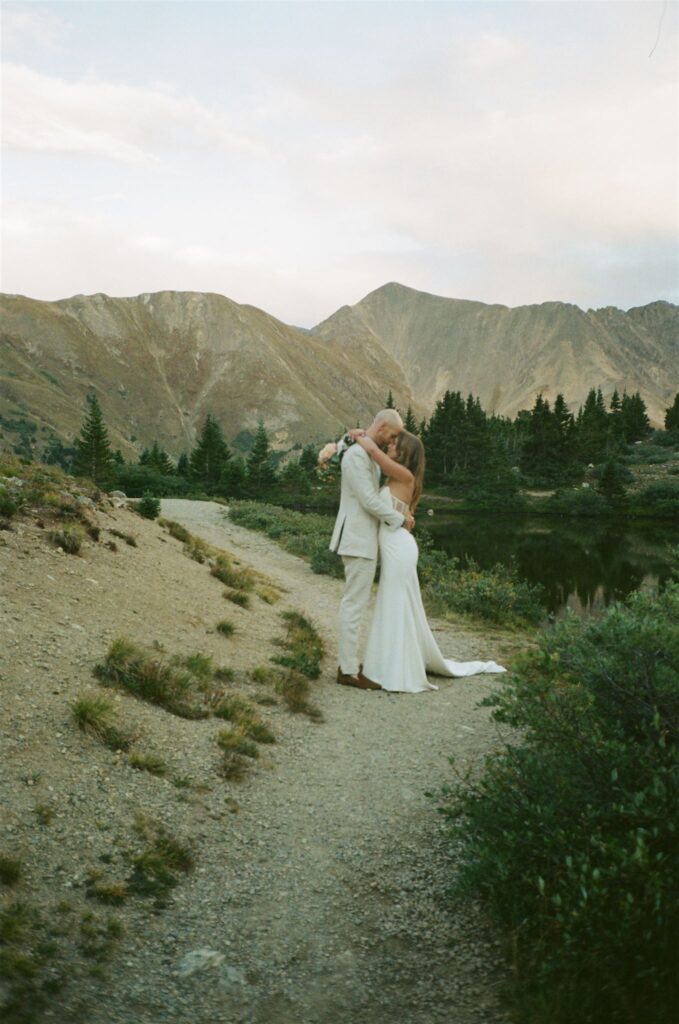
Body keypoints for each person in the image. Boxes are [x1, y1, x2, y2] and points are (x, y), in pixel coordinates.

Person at [355, 430, 506, 693]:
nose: (390, 445)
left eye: (395, 443)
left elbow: (374, 454)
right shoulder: (396, 478)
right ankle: (385, 664)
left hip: (399, 549)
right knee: (393, 603)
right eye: (390, 442)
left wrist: (359, 436)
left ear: (405, 453)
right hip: (396, 546)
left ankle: (395, 669)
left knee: (395, 603)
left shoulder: (405, 476)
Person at [330, 409, 414, 690]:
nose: (393, 441)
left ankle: (349, 663)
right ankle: (348, 670)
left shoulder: (364, 452)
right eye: (392, 435)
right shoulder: (356, 457)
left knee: (356, 602)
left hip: (363, 539)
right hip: (357, 539)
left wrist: (353, 436)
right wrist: (400, 519)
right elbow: (367, 499)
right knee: (353, 604)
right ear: (381, 427)